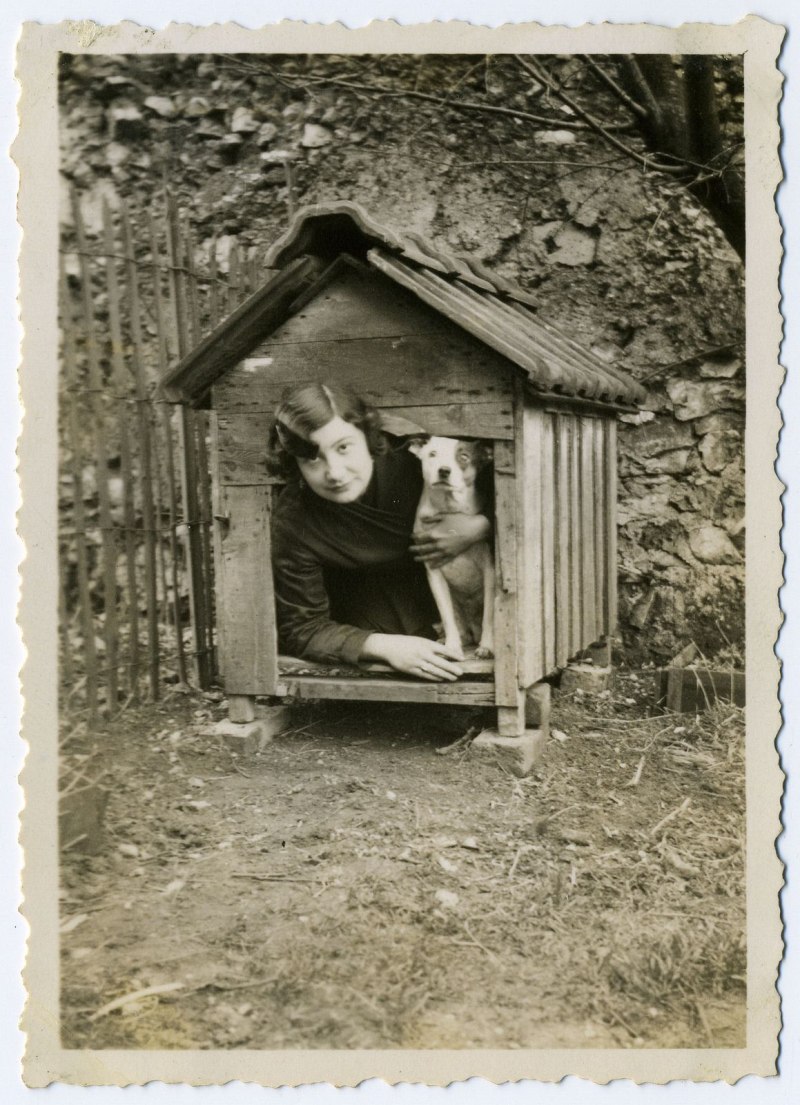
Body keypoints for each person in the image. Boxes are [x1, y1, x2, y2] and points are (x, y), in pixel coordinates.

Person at [268, 383, 492, 682]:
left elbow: (507, 490)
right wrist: (382, 646)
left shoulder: (414, 464)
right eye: (312, 457)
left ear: (367, 436)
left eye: (343, 447)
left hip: (452, 600)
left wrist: (482, 525)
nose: (334, 472)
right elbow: (302, 627)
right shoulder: (294, 519)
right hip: (364, 615)